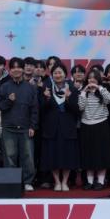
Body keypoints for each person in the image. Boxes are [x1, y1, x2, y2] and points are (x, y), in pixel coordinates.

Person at [0, 57, 39, 192]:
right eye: (13, 67)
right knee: (9, 157)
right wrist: (8, 101)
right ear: (9, 70)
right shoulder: (4, 87)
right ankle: (11, 182)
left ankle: (28, 182)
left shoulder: (30, 88)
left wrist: (33, 126)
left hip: (26, 128)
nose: (16, 70)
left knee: (28, 157)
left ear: (23, 69)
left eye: (19, 67)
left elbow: (35, 109)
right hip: (9, 128)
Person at [39, 63, 80, 191]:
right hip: (51, 128)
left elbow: (77, 110)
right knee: (52, 155)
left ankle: (65, 182)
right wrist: (46, 99)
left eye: (60, 72)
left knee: (67, 155)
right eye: (55, 73)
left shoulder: (72, 88)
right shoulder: (46, 88)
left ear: (65, 74)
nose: (58, 75)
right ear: (52, 75)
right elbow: (41, 110)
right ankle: (57, 182)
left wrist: (68, 99)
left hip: (67, 127)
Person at [78, 69, 110, 190]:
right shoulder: (83, 91)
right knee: (88, 154)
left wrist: (99, 88)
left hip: (101, 124)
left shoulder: (102, 90)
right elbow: (80, 107)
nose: (91, 80)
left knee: (101, 154)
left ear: (98, 80)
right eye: (89, 78)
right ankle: (89, 181)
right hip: (86, 124)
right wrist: (84, 91)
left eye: (94, 78)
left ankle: (101, 181)